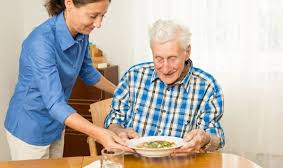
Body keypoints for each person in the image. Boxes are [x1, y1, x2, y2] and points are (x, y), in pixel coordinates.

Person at [4, 0, 131, 160]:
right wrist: (99, 133)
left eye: (102, 16)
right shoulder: (40, 42)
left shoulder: (82, 33)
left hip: (57, 123)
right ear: (69, 3)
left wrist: (123, 93)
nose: (98, 24)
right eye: (93, 16)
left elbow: (88, 72)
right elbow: (55, 104)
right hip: (29, 127)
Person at [104, 19, 225, 153]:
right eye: (159, 59)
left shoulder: (207, 86)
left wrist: (206, 138)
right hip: (133, 161)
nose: (166, 69)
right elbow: (114, 120)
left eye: (172, 58)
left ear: (187, 52)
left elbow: (217, 138)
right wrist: (118, 130)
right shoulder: (133, 76)